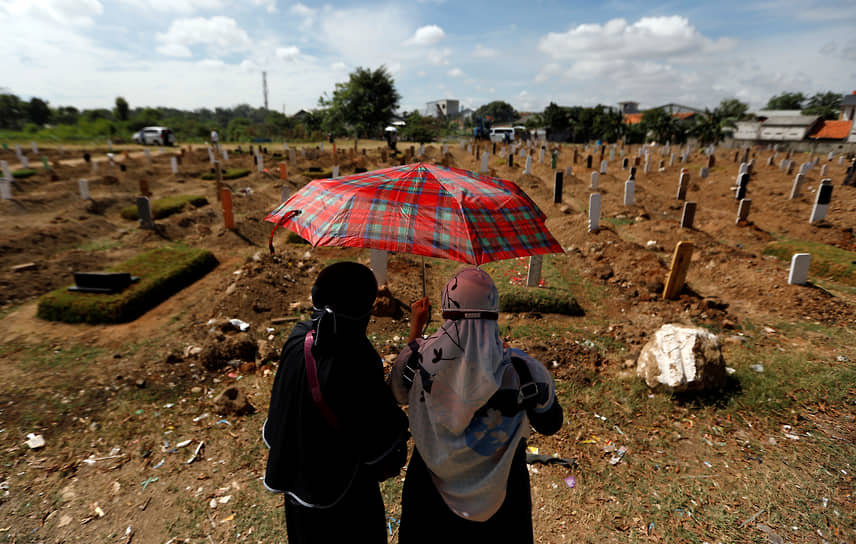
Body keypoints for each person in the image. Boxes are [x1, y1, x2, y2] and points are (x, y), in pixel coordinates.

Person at [389, 267, 563, 543]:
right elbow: (550, 423)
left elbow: (398, 395)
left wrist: (417, 332)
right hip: (503, 503)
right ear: (494, 310)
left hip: (428, 497)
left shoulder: (414, 360)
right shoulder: (524, 370)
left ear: (447, 308)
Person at [263, 261, 409, 543]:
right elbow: (377, 439)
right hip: (345, 494)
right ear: (363, 310)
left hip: (298, 489)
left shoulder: (298, 336)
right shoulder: (356, 357)